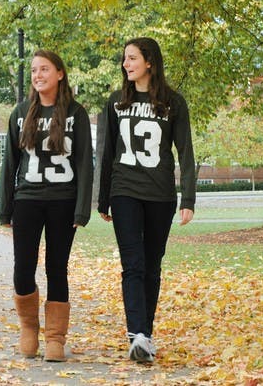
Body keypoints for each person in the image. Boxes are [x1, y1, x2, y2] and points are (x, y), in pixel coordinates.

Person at [98, 37, 195, 363]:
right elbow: (107, 151)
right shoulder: (115, 102)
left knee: (152, 267)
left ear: (150, 62)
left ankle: (145, 337)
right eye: (125, 59)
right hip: (125, 191)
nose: (126, 64)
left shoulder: (173, 102)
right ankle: (136, 333)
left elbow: (185, 152)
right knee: (133, 265)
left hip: (160, 195)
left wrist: (189, 198)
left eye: (132, 58)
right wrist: (103, 198)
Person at [0, 50, 93, 362]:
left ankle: (55, 337)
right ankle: (29, 328)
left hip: (63, 202)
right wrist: (5, 206)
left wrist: (82, 209)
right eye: (35, 71)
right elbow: (10, 163)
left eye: (45, 69)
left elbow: (84, 164)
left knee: (57, 268)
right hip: (27, 199)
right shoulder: (21, 111)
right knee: (23, 267)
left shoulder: (76, 114)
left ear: (60, 74)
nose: (38, 75)